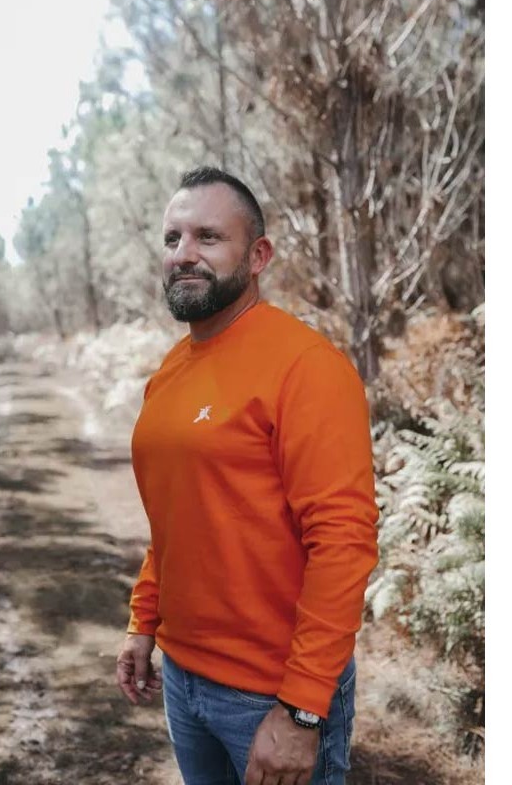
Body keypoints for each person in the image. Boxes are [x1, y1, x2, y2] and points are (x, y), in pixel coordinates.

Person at [116, 166, 379, 785]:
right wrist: (144, 621)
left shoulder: (306, 367)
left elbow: (343, 543)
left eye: (209, 237)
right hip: (184, 680)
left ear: (258, 256)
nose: (184, 253)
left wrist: (302, 709)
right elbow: (175, 519)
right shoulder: (171, 371)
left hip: (271, 693)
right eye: (173, 238)